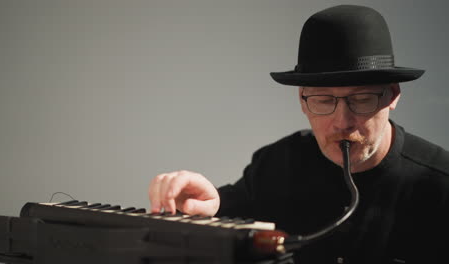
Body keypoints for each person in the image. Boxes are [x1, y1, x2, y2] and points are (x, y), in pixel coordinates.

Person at [148, 5, 449, 264]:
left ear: (392, 96)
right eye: (323, 100)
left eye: (361, 99)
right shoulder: (276, 164)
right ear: (302, 101)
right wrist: (212, 207)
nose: (342, 121)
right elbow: (225, 216)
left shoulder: (440, 184)